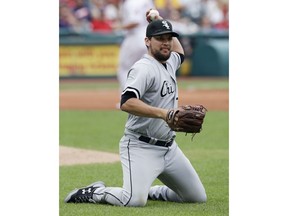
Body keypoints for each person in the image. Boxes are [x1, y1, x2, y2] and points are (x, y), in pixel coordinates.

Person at [64, 13, 207, 207]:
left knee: (196, 197)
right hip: (140, 146)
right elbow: (127, 102)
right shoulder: (143, 68)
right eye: (160, 39)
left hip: (169, 149)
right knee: (132, 200)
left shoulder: (171, 62)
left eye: (168, 38)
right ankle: (95, 191)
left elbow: (179, 51)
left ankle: (152, 192)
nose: (166, 43)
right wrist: (164, 113)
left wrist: (157, 18)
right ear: (147, 41)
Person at [114, 0, 155, 93]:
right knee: (146, 69)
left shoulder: (131, 3)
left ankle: (128, 98)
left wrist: (118, 27)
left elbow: (135, 22)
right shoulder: (147, 1)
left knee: (124, 68)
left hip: (135, 37)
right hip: (149, 36)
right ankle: (148, 97)